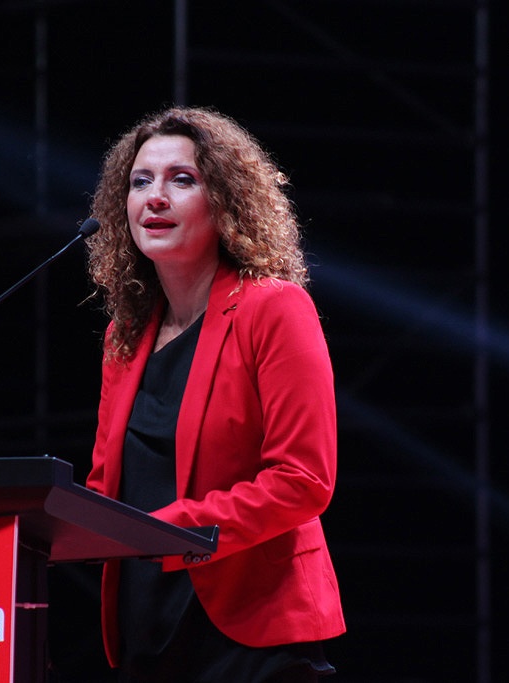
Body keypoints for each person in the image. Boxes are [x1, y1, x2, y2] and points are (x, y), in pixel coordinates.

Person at [82, 105, 345, 683]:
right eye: (140, 182)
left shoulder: (274, 308)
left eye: (182, 179)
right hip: (144, 627)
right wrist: (20, 517)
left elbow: (303, 479)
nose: (155, 197)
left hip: (254, 632)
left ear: (225, 202)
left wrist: (172, 530)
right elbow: (105, 490)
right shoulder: (124, 337)